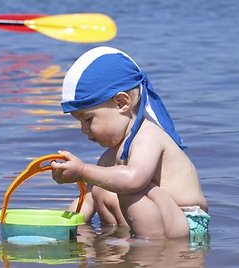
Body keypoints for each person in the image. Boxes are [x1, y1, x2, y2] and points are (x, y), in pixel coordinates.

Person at [50, 46, 210, 242]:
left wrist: (83, 171)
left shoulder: (148, 135)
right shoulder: (109, 156)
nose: (84, 129)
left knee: (128, 188)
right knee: (100, 189)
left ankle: (147, 248)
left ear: (121, 103)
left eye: (88, 119)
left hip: (187, 222)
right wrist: (63, 227)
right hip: (156, 220)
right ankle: (120, 244)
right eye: (80, 122)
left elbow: (134, 180)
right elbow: (88, 201)